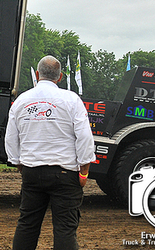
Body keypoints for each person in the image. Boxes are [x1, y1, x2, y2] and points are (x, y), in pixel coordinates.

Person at [5, 55, 95, 250]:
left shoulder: (21, 101)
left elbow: (11, 138)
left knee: (27, 225)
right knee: (64, 229)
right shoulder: (72, 100)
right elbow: (85, 138)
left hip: (32, 172)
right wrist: (84, 172)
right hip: (65, 174)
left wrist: (21, 165)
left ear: (37, 75)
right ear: (60, 77)